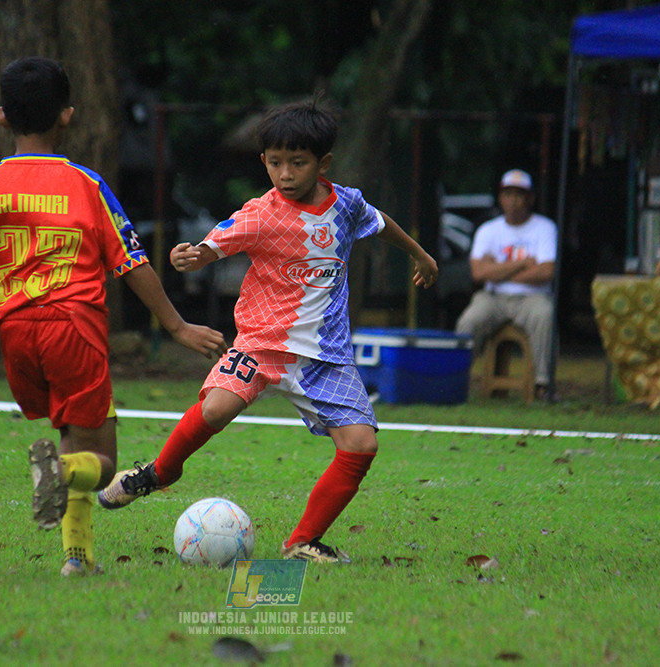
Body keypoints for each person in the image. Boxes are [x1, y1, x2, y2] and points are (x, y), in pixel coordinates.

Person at [0, 57, 227, 577]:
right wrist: (177, 326)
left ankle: (76, 557)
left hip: (14, 333)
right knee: (100, 463)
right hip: (74, 329)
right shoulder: (86, 184)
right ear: (67, 114)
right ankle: (61, 473)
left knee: (69, 430)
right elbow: (132, 263)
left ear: (1, 116)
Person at [97, 97, 439, 563]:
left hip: (326, 357)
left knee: (362, 445)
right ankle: (160, 472)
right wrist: (191, 256)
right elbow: (213, 245)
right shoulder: (261, 214)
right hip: (262, 345)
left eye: (297, 163)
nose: (285, 174)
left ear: (323, 164)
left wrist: (420, 254)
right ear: (264, 161)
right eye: (275, 163)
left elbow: (380, 224)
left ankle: (303, 541)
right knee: (216, 408)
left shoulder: (348, 205)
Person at [454, 168, 557, 399]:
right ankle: (455, 379)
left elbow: (546, 272)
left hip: (533, 297)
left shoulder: (545, 227)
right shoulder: (488, 230)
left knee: (544, 315)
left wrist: (497, 269)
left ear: (530, 198)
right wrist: (523, 264)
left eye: (519, 194)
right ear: (500, 198)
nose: (513, 200)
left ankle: (543, 385)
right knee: (468, 321)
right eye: (508, 194)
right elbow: (478, 273)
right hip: (493, 297)